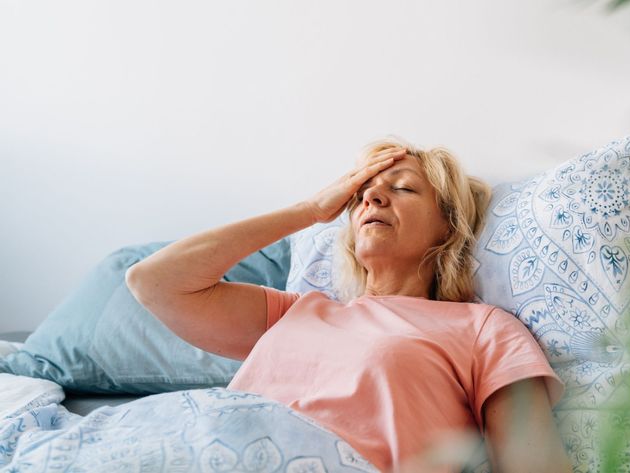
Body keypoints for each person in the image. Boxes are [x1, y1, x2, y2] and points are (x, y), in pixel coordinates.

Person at [126, 138, 572, 473]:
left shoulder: (483, 329)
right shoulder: (297, 311)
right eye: (360, 195)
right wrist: (310, 209)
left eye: (403, 189)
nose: (372, 199)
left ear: (448, 227)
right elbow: (154, 282)